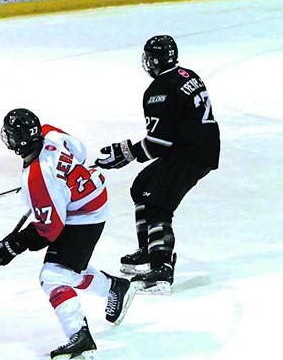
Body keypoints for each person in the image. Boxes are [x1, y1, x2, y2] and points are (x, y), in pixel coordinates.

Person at [0, 109, 138, 359]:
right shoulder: (48, 132)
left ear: (18, 142)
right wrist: (60, 179)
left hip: (86, 213)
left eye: (10, 135)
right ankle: (114, 287)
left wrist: (12, 245)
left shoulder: (38, 178)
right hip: (88, 197)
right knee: (68, 267)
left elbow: (50, 229)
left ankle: (80, 337)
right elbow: (80, 151)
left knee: (54, 276)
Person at [94, 35, 219, 294]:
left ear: (153, 60)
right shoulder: (187, 75)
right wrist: (128, 152)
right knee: (142, 187)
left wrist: (126, 153)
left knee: (157, 204)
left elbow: (159, 143)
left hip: (189, 154)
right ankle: (148, 249)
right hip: (198, 147)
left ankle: (162, 267)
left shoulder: (159, 90)